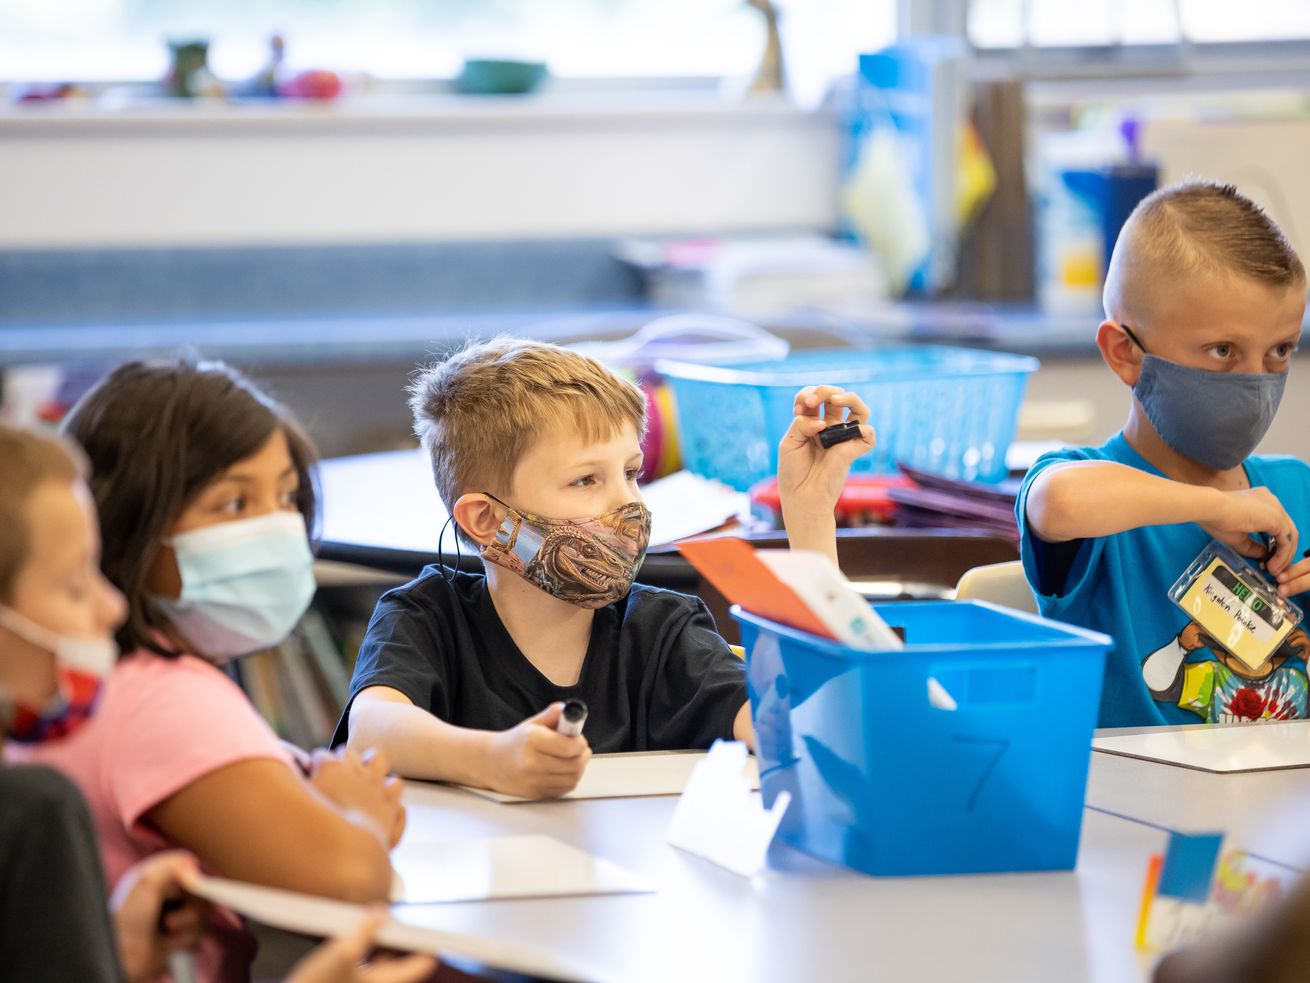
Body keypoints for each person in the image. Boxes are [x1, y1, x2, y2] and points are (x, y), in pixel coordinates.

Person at [336, 336, 874, 798]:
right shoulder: (427, 616)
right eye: (586, 480)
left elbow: (800, 723)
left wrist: (808, 520)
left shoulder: (664, 630)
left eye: (632, 473)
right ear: (486, 520)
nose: (629, 505)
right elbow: (373, 730)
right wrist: (493, 759)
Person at [8, 361, 406, 982]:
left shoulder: (108, 689)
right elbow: (351, 879)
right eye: (234, 503)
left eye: (286, 498)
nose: (277, 526)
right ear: (131, 528)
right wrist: (356, 816)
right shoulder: (165, 696)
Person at [1018, 180, 1309, 727]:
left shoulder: (1297, 490)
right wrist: (1216, 506)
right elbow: (1056, 505)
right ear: (1126, 354)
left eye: (1279, 351)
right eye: (1222, 351)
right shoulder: (1089, 487)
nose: (1255, 382)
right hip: (1136, 807)